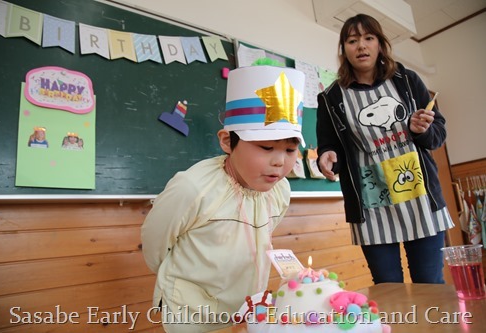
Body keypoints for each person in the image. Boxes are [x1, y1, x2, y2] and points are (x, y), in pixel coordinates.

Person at [141, 65, 306, 332]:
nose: (279, 162)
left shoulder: (280, 190)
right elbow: (155, 245)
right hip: (193, 313)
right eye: (266, 147)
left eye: (290, 149)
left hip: (247, 309)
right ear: (228, 141)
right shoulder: (192, 188)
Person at [316, 14, 454, 285]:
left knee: (430, 287)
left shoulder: (407, 80)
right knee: (389, 291)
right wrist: (328, 156)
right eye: (352, 40)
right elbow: (330, 144)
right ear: (344, 49)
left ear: (380, 44)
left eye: (369, 38)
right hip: (371, 207)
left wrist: (422, 130)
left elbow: (438, 134)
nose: (361, 46)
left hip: (421, 200)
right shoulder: (331, 97)